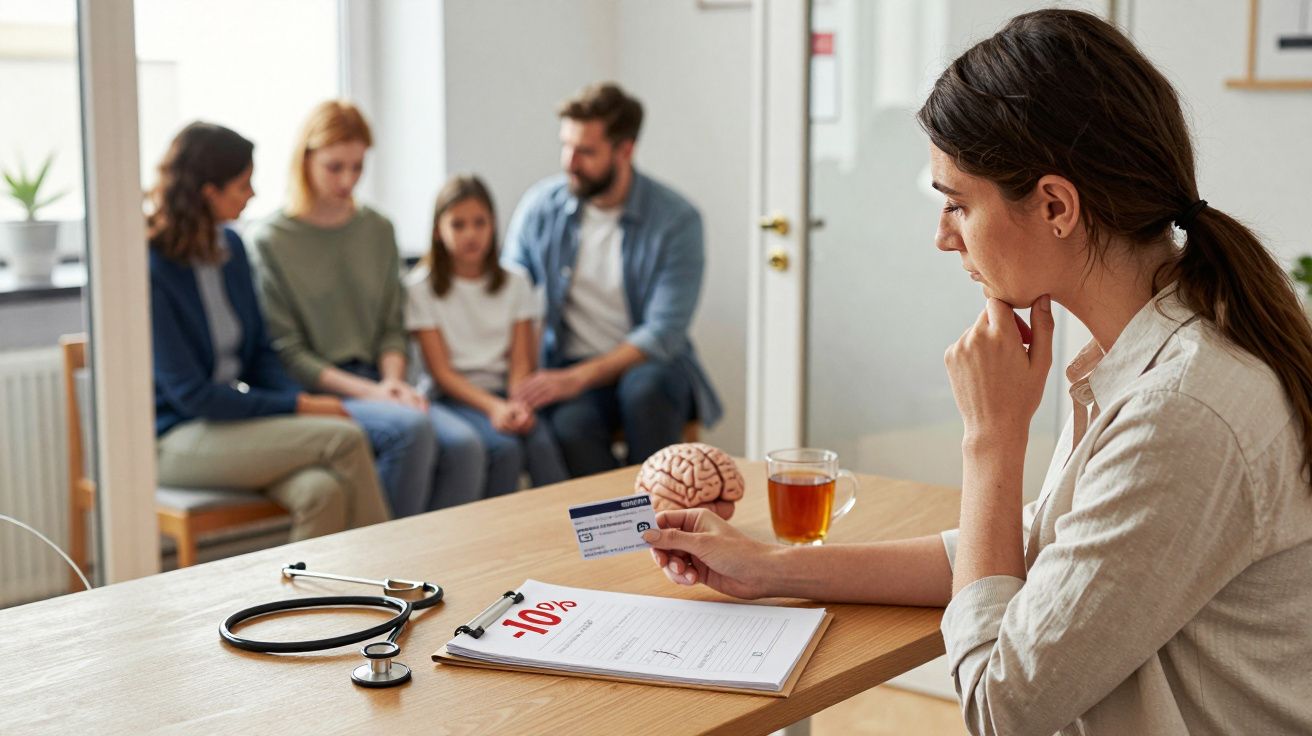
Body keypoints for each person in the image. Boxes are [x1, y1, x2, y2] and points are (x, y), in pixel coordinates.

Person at [640, 10, 1312, 735]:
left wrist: (992, 441)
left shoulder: (1181, 410)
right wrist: (769, 569)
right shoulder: (1155, 354)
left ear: (1056, 204)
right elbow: (1039, 552)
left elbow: (1000, 708)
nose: (942, 236)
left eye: (957, 204)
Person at [148, 122, 391, 541]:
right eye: (243, 185)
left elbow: (260, 353)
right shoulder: (154, 267)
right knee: (346, 439)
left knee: (322, 491)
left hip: (226, 424)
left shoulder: (232, 248)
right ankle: (396, 579)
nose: (253, 194)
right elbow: (191, 395)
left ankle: (314, 606)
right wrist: (301, 406)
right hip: (174, 438)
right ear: (209, 192)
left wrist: (298, 400)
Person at [248, 100, 484, 514]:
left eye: (358, 167)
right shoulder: (270, 239)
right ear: (306, 160)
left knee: (465, 446)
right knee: (411, 430)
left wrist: (390, 382)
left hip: (381, 380)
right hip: (319, 393)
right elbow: (288, 352)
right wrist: (375, 393)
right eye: (335, 167)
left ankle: (440, 562)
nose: (348, 180)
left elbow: (391, 325)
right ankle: (392, 570)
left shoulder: (377, 228)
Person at [503, 82, 722, 477]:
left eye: (586, 151)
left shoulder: (677, 220)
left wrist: (576, 378)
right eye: (566, 145)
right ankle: (619, 531)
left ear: (625, 150)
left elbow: (663, 332)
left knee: (646, 391)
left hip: (650, 367)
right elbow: (509, 292)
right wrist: (524, 377)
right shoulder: (541, 208)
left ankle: (664, 518)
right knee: (570, 425)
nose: (570, 162)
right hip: (570, 366)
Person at [406, 175, 569, 497]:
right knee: (504, 449)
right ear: (439, 230)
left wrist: (516, 404)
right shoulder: (420, 287)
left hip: (505, 392)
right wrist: (493, 408)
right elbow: (441, 372)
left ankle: (574, 535)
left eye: (480, 223)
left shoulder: (516, 282)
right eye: (458, 224)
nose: (471, 234)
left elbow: (521, 360)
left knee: (542, 444)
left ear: (493, 225)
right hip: (452, 397)